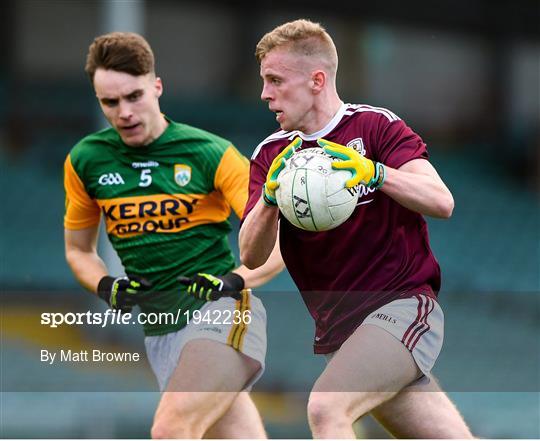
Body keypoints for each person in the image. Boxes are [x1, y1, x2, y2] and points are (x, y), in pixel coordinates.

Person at [239, 19, 473, 438]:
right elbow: (251, 255)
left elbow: (442, 201)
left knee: (327, 408)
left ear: (316, 79)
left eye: (275, 80)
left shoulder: (375, 127)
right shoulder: (271, 154)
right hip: (342, 334)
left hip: (402, 308)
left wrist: (376, 173)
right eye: (264, 81)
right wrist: (269, 203)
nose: (265, 93)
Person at [64, 32, 283, 439]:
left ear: (157, 86)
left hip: (221, 312)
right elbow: (79, 250)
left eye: (134, 96)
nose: (124, 112)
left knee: (170, 429)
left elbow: (277, 243)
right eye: (109, 102)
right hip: (160, 329)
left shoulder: (210, 152)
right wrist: (105, 284)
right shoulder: (85, 160)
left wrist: (232, 281)